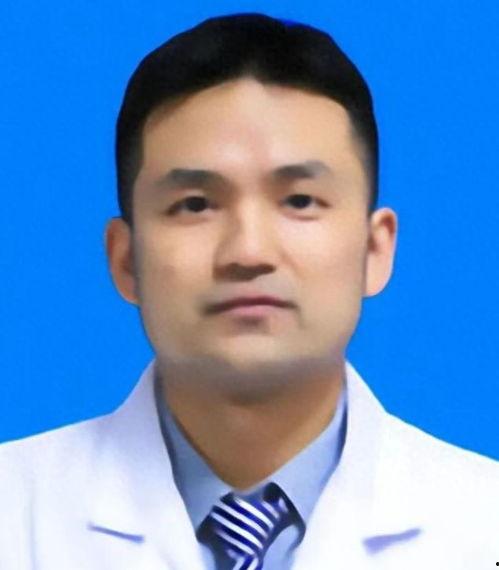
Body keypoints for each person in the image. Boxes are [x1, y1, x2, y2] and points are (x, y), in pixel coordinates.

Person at [1, 12, 498, 570]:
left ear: (375, 249)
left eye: (300, 201)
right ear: (125, 261)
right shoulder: (12, 513)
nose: (248, 251)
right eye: (195, 205)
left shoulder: (485, 526)